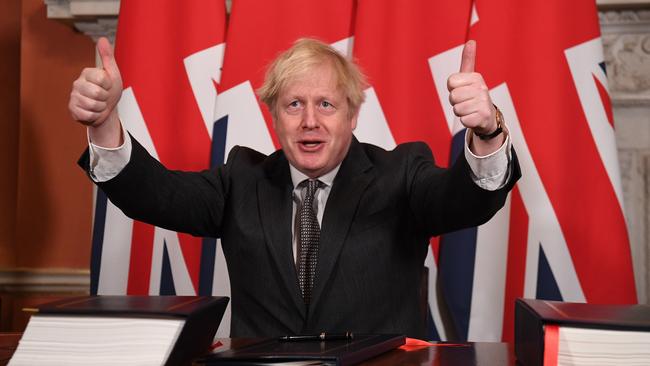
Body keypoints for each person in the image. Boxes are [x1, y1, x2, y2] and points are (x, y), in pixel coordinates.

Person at [69, 37, 520, 338]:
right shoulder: (240, 179)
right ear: (274, 117)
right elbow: (156, 193)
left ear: (352, 115)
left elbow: (466, 201)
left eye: (326, 104)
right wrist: (106, 123)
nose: (310, 121)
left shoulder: (401, 173)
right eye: (294, 105)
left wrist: (486, 131)